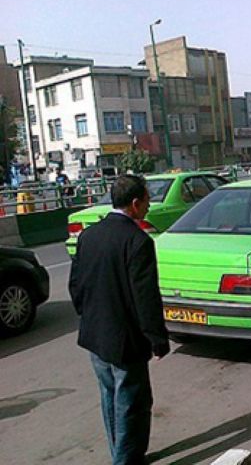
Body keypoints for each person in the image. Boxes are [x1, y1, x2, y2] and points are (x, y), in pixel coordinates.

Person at [69, 175, 169, 465]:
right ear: (135, 204)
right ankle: (126, 460)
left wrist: (89, 316)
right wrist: (157, 339)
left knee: (110, 399)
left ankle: (121, 453)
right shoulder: (137, 241)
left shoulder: (89, 235)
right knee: (132, 403)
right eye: (147, 202)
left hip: (95, 335)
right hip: (126, 341)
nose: (149, 207)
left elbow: (76, 286)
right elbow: (145, 298)